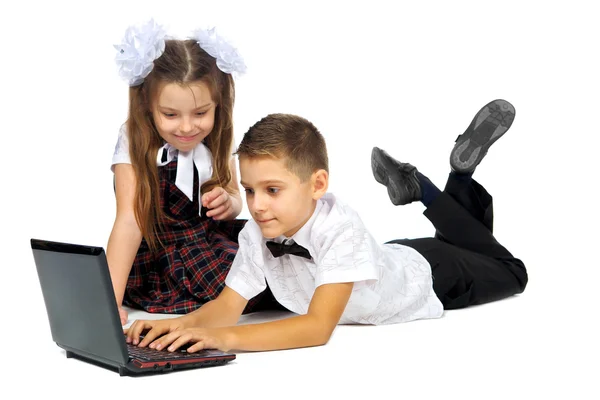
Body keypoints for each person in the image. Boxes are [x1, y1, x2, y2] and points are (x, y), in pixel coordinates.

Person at [124, 99, 528, 352]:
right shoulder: (257, 232)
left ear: (317, 184)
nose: (257, 205)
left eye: (272, 189)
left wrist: (220, 340)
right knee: (465, 239)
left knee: (512, 270)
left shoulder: (341, 229)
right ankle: (448, 181)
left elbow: (317, 328)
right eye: (248, 190)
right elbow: (227, 307)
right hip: (387, 257)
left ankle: (433, 187)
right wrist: (165, 329)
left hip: (432, 277)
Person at [109, 20, 280, 325]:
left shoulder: (215, 137)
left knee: (280, 243)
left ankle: (368, 261)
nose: (187, 127)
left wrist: (228, 203)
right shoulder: (135, 139)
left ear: (218, 104)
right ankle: (311, 286)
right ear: (148, 105)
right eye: (170, 115)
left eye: (201, 113)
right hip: (168, 254)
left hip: (209, 237)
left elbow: (234, 197)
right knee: (250, 277)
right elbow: (129, 221)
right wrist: (107, 301)